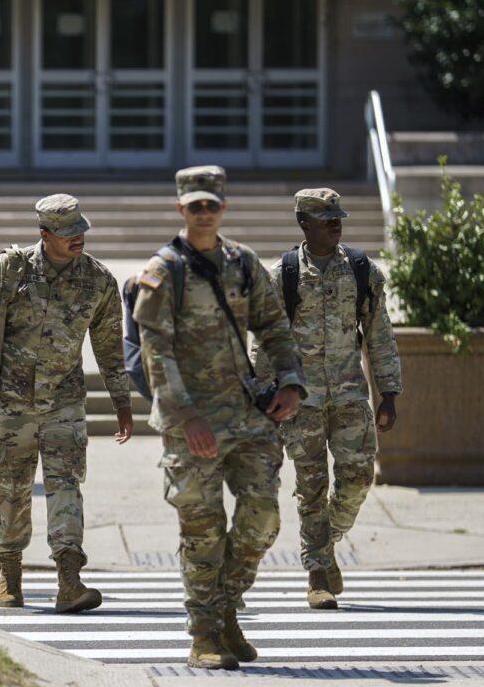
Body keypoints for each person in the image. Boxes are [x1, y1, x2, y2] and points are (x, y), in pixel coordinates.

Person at [133, 166, 304, 670]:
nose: (204, 212)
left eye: (212, 204)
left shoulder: (244, 263)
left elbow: (273, 326)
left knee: (263, 516)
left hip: (245, 413)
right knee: (203, 529)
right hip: (191, 421)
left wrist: (291, 380)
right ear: (181, 209)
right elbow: (154, 351)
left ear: (223, 208)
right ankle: (204, 633)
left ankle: (227, 606)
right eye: (195, 205)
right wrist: (186, 417)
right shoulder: (164, 271)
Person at [0, 194, 134, 613]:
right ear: (44, 234)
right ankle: (10, 575)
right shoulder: (8, 269)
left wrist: (121, 402)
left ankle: (69, 581)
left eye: (81, 230)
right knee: (12, 490)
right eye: (68, 233)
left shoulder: (98, 280)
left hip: (63, 402)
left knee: (66, 486)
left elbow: (111, 348)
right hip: (8, 402)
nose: (79, 239)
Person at [261, 188, 401, 609]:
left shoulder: (361, 271)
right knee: (311, 486)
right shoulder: (281, 274)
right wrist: (265, 394)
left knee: (358, 480)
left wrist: (389, 391)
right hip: (299, 399)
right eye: (326, 219)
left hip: (349, 394)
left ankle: (327, 538)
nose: (335, 224)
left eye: (338, 217)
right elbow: (266, 339)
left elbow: (379, 334)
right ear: (303, 223)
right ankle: (318, 570)